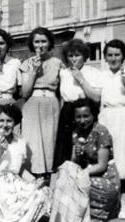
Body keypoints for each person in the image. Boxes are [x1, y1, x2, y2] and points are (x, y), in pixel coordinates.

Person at [79, 39, 125, 219]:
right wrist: (81, 80)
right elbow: (95, 96)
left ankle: (123, 204)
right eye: (110, 55)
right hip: (106, 117)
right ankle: (107, 199)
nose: (113, 58)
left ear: (123, 56)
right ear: (105, 57)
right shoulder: (102, 75)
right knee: (105, 158)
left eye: (117, 54)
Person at [49, 98, 120, 222]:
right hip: (87, 175)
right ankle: (70, 214)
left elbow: (102, 165)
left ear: (93, 115)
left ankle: (101, 211)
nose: (82, 120)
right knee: (65, 173)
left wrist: (80, 174)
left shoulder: (101, 131)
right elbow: (74, 163)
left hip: (105, 179)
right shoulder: (76, 133)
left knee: (75, 182)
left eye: (86, 116)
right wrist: (76, 155)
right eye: (78, 117)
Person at [19, 27, 64, 184]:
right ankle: (34, 187)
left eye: (43, 41)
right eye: (36, 41)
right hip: (32, 106)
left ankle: (49, 187)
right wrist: (33, 71)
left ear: (50, 43)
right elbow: (24, 93)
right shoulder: (26, 63)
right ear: (32, 44)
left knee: (50, 146)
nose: (40, 45)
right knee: (34, 148)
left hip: (51, 107)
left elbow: (62, 91)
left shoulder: (58, 63)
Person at [53, 39, 102, 170]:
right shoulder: (63, 73)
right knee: (66, 147)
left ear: (84, 56)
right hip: (68, 113)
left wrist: (80, 78)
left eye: (77, 55)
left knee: (84, 147)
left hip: (85, 112)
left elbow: (96, 97)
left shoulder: (93, 72)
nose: (74, 59)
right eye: (70, 55)